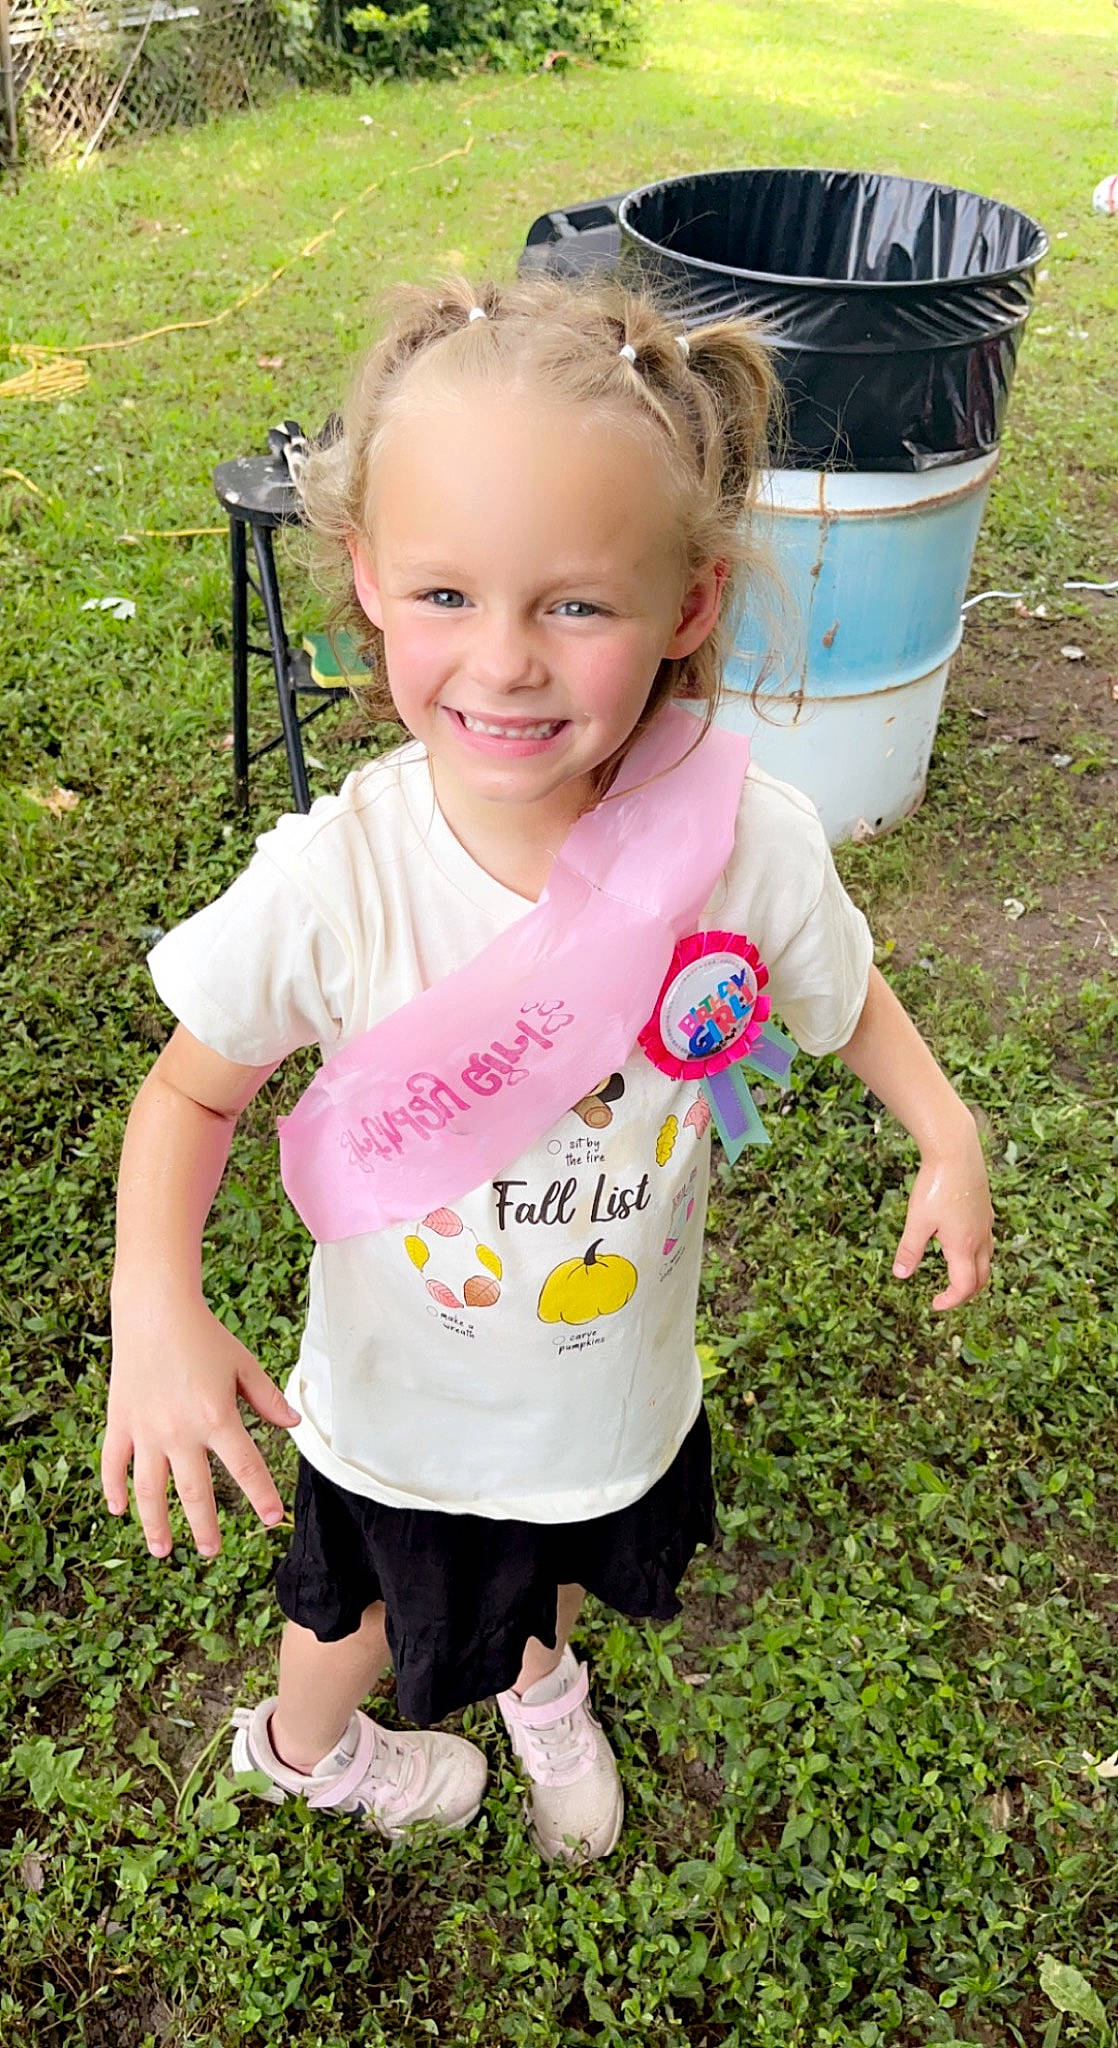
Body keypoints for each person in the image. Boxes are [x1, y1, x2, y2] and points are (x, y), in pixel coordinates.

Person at [103, 273, 994, 1865]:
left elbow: (838, 990)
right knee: (360, 1613)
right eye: (446, 594)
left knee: (555, 1557)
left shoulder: (738, 846)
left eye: (574, 605)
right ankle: (308, 1754)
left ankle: (537, 1681)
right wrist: (154, 1306)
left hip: (606, 1385)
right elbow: (190, 1093)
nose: (505, 662)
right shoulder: (335, 882)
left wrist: (943, 1124)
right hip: (401, 1407)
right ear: (367, 579)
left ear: (689, 605)